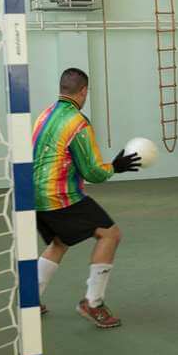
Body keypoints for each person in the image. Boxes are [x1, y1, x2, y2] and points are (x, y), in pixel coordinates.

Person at [32, 68, 141, 329]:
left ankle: (30, 298)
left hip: (33, 196)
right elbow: (93, 172)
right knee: (110, 234)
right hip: (60, 195)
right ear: (83, 91)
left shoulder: (44, 115)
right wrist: (116, 166)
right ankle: (93, 303)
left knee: (60, 241)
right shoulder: (77, 122)